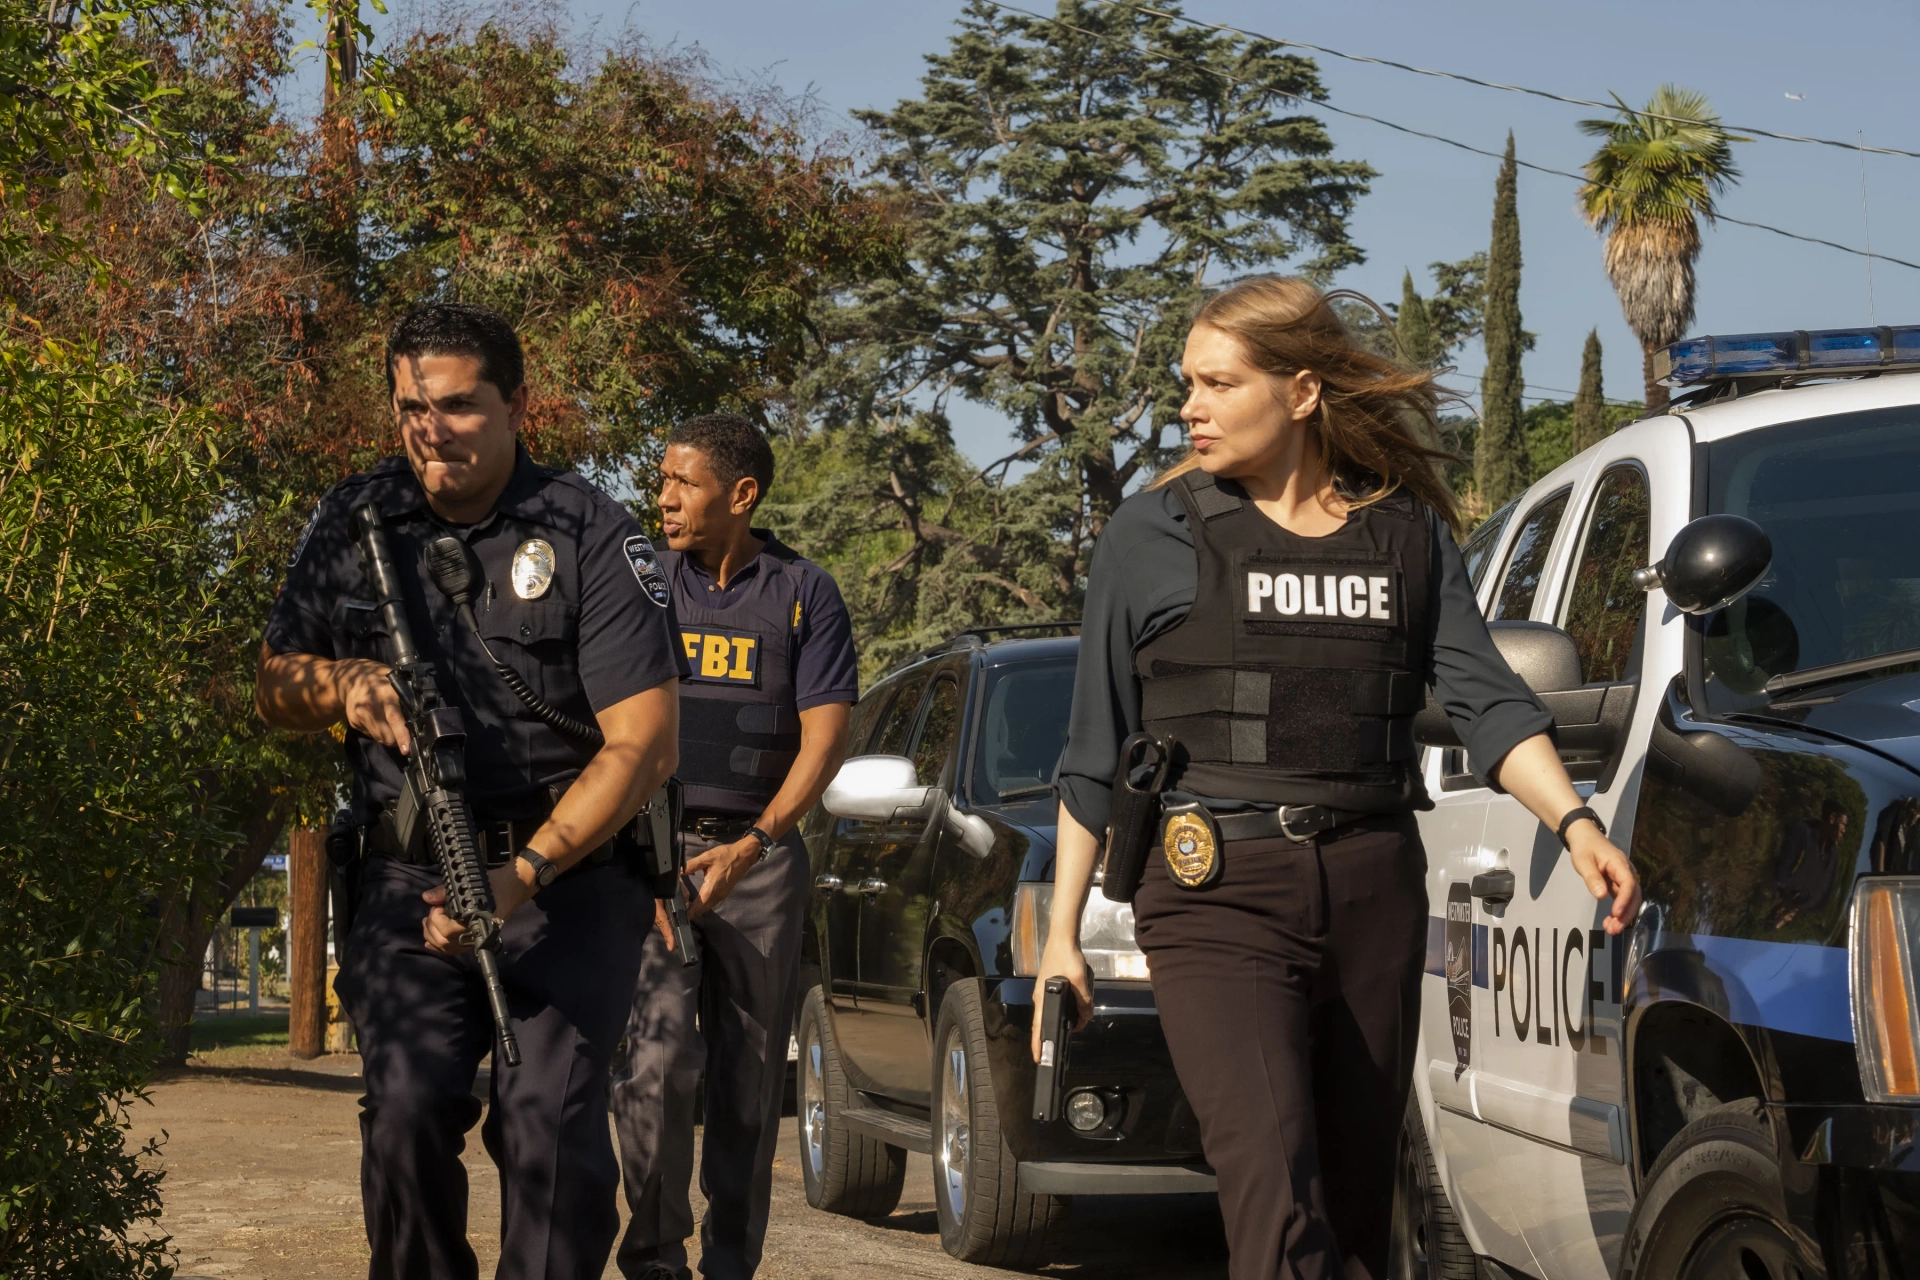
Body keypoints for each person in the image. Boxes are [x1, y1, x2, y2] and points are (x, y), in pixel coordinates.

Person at [1036, 278, 1642, 1280]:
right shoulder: (1149, 537)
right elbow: (1094, 749)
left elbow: (1489, 700)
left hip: (1372, 884)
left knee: (1356, 1209)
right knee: (1275, 1198)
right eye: (1188, 381)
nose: (1190, 405)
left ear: (1303, 390)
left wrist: (1577, 823)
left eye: (1219, 383)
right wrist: (1061, 935)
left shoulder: (1405, 536)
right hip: (1212, 890)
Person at [255, 302, 688, 1280]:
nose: (430, 430)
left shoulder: (588, 531)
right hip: (407, 877)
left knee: (548, 1134)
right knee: (404, 1115)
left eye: (456, 406)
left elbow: (644, 744)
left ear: (517, 403)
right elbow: (274, 679)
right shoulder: (355, 516)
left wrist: (519, 875)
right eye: (411, 406)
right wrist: (343, 684)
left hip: (567, 881)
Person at [610, 413, 857, 1280]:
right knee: (654, 1063)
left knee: (750, 1092)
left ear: (741, 494)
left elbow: (824, 741)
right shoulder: (642, 587)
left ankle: (727, 1267)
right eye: (663, 480)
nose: (664, 497)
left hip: (759, 863)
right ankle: (654, 1261)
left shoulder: (803, 592)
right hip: (653, 859)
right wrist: (634, 851)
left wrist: (754, 844)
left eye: (684, 482)